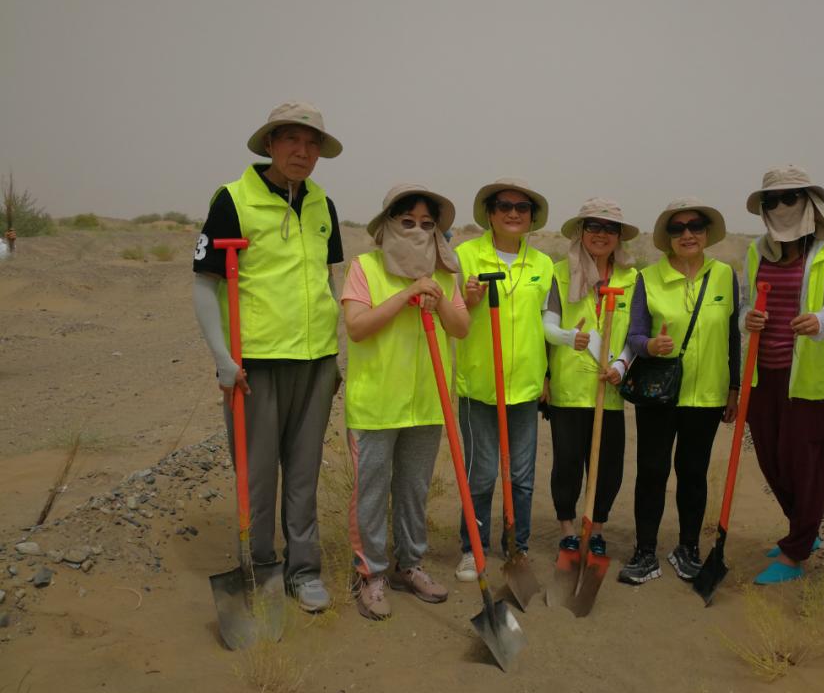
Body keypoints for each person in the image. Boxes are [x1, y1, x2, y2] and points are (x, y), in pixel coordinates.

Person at [192, 102, 343, 613]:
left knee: (303, 470)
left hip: (316, 360)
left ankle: (303, 570)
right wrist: (221, 359)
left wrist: (332, 349)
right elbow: (203, 283)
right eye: (292, 141)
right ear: (271, 144)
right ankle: (260, 564)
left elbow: (327, 276)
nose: (302, 152)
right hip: (255, 362)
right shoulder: (232, 200)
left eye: (312, 144)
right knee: (257, 473)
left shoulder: (323, 203)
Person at [341, 184, 469, 620]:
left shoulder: (445, 275)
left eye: (427, 225)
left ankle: (408, 565)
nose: (417, 230)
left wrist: (436, 300)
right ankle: (370, 574)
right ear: (388, 225)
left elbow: (462, 327)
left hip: (427, 403)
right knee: (372, 494)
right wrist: (404, 295)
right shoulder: (365, 267)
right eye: (407, 222)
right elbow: (356, 327)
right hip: (376, 404)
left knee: (413, 491)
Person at [619, 198, 740, 584]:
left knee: (693, 472)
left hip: (707, 396)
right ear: (667, 237)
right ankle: (644, 551)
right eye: (677, 228)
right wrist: (650, 346)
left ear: (706, 233)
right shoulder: (648, 278)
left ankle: (688, 547)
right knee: (652, 471)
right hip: (660, 394)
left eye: (696, 226)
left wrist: (734, 387)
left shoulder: (725, 275)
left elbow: (733, 337)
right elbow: (634, 335)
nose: (687, 234)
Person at [741, 166, 824, 585]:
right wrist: (747, 320)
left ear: (807, 202)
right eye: (772, 200)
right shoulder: (756, 252)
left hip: (806, 379)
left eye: (790, 198)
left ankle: (796, 552)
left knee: (805, 462)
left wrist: (819, 320)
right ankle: (803, 531)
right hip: (763, 374)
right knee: (772, 459)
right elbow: (747, 309)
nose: (781, 207)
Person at [453, 179, 554, 581]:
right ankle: (471, 547)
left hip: (525, 387)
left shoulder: (543, 265)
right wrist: (469, 301)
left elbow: (547, 325)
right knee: (480, 473)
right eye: (504, 206)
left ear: (531, 217)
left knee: (522, 476)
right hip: (479, 385)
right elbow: (451, 317)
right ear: (490, 213)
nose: (513, 213)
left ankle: (518, 545)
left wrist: (545, 374)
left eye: (522, 208)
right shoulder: (465, 256)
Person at [544, 199, 639, 557]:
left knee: (608, 465)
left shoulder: (632, 278)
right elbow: (547, 328)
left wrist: (622, 367)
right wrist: (567, 341)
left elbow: (635, 333)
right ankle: (568, 528)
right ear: (581, 232)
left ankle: (596, 528)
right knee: (567, 461)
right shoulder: (558, 272)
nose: (601, 235)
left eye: (609, 229)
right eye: (593, 227)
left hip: (610, 387)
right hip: (569, 388)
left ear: (618, 237)